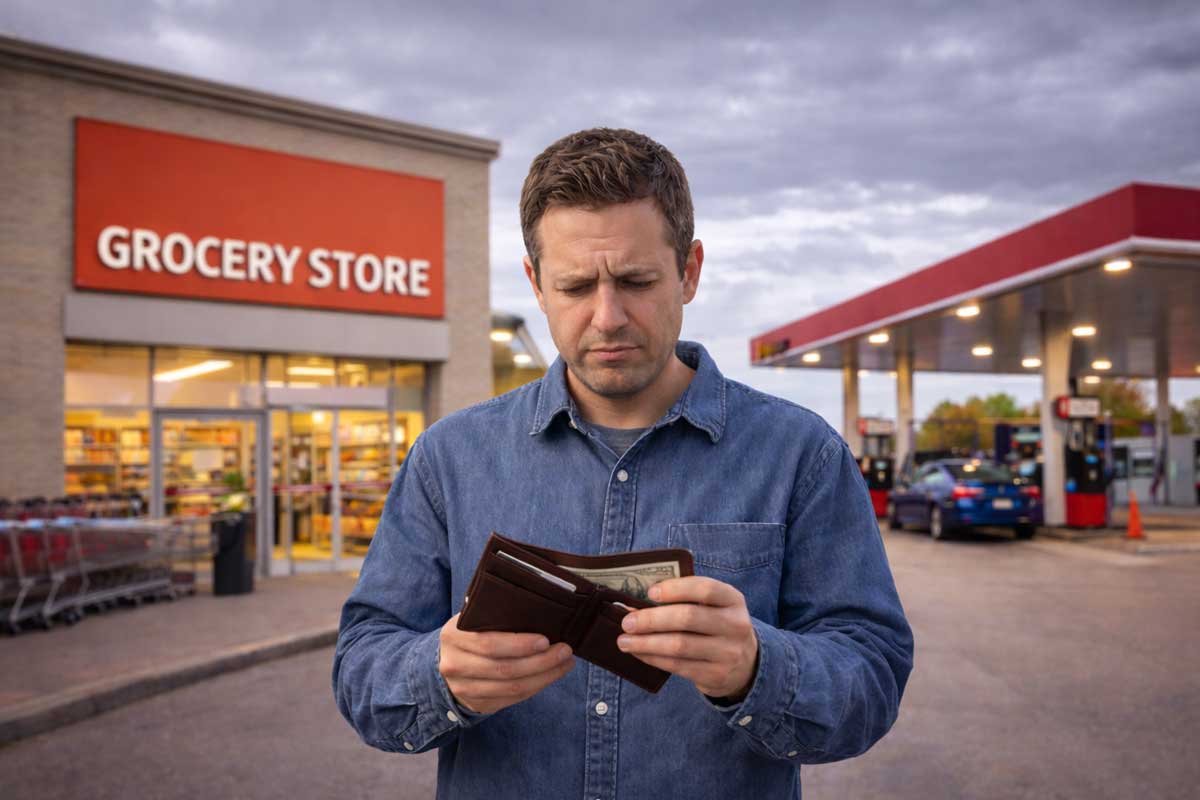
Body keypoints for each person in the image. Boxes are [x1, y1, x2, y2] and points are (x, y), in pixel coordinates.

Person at [333, 128, 914, 799]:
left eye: (636, 281)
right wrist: (435, 676)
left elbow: (873, 676)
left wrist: (759, 667)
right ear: (536, 284)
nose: (606, 317)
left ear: (690, 271)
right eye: (576, 285)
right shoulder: (450, 458)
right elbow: (361, 666)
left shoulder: (801, 456)